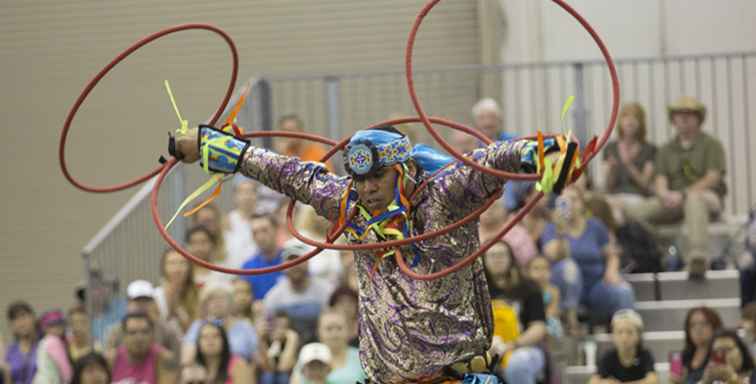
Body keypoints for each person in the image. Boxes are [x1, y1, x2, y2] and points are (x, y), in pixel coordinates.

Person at [173, 120, 569, 382]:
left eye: (377, 177)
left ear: (402, 170)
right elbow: (287, 172)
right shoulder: (350, 206)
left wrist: (543, 152)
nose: (368, 188)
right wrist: (211, 144)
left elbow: (486, 162)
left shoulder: (444, 197)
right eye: (359, 179)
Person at [625, 96, 727, 279]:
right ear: (673, 119)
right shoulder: (666, 149)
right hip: (674, 200)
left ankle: (698, 258)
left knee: (695, 199)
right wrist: (664, 194)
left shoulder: (711, 145)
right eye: (679, 114)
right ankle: (658, 249)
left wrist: (684, 194)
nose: (684, 118)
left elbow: (712, 177)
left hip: (706, 197)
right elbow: (660, 180)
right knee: (632, 212)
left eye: (689, 114)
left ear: (698, 118)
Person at [540, 184, 635, 331]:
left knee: (623, 291)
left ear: (582, 204)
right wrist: (560, 231)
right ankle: (571, 323)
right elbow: (553, 255)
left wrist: (611, 270)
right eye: (565, 201)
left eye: (574, 199)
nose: (570, 204)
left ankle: (626, 333)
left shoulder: (595, 226)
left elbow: (612, 253)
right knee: (569, 268)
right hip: (565, 290)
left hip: (595, 287)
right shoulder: (552, 229)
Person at [483, 240, 547, 384]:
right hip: (487, 350)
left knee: (518, 364)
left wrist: (512, 345)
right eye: (492, 255)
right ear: (484, 260)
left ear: (511, 258)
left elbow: (539, 328)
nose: (497, 259)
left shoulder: (529, 288)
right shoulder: (477, 291)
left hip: (523, 348)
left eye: (501, 255)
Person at [263, 244, 334, 344]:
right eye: (290, 261)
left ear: (308, 262)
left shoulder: (326, 291)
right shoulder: (273, 297)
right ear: (283, 266)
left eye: (299, 260)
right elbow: (269, 333)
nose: (295, 265)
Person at [601, 102, 657, 222]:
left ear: (641, 123)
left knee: (618, 209)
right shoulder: (610, 148)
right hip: (614, 196)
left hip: (637, 197)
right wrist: (611, 169)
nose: (630, 121)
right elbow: (607, 185)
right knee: (608, 205)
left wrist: (629, 165)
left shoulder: (650, 149)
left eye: (635, 117)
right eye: (626, 117)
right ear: (620, 122)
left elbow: (645, 185)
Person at [182, 281, 258, 365]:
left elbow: (258, 359)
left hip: (240, 372)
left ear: (230, 302)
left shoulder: (245, 326)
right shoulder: (198, 326)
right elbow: (186, 358)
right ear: (205, 304)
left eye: (222, 298)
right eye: (212, 298)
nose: (217, 302)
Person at [105, 280, 183, 360]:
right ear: (128, 303)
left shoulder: (167, 330)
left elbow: (177, 358)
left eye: (146, 301)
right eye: (137, 301)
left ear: (153, 303)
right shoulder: (116, 331)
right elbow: (108, 358)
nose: (142, 305)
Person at [291, 310, 365, 384]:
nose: (334, 333)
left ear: (348, 330)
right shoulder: (306, 355)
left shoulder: (362, 357)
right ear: (318, 331)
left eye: (339, 328)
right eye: (329, 328)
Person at [590, 309, 657, 384]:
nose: (624, 337)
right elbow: (593, 381)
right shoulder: (608, 357)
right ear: (613, 335)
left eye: (629, 332)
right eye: (619, 332)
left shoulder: (645, 354)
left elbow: (653, 380)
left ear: (638, 335)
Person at [110, 313, 178, 384]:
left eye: (144, 332)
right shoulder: (112, 359)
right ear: (124, 336)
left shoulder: (163, 358)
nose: (139, 338)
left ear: (152, 334)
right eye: (133, 332)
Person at [671, 307, 724, 384]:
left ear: (715, 327)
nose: (698, 329)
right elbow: (672, 381)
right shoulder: (678, 357)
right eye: (692, 325)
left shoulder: (720, 355)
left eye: (704, 324)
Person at [479, 198, 538, 267]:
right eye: (484, 207)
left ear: (504, 210)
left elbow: (530, 263)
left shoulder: (519, 234)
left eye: (494, 207)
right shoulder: (470, 233)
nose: (488, 210)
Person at [154, 248, 199, 333]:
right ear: (163, 268)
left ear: (189, 267)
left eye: (182, 263)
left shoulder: (197, 295)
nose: (177, 269)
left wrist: (178, 311)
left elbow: (196, 332)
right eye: (172, 263)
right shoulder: (155, 295)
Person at [241, 214, 284, 301]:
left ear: (276, 230)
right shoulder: (247, 268)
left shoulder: (292, 260)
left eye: (264, 230)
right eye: (255, 233)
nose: (260, 237)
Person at [256, 311, 299, 384]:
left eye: (283, 327)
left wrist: (292, 340)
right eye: (276, 326)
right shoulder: (264, 340)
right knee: (268, 376)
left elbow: (284, 367)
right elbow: (268, 367)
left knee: (283, 376)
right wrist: (262, 341)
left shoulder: (290, 342)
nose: (279, 331)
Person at [525, 255, 563, 338]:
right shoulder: (526, 291)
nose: (541, 273)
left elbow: (553, 311)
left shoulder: (553, 290)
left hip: (548, 323)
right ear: (527, 272)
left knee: (553, 322)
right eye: (536, 268)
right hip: (530, 323)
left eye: (545, 268)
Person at [226, 179, 260, 268]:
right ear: (235, 196)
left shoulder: (264, 220)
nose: (247, 196)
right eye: (243, 192)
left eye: (251, 192)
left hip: (258, 271)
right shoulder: (226, 221)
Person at [32, 310, 73, 384]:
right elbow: (63, 365)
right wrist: (69, 380)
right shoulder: (54, 341)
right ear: (45, 328)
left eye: (59, 324)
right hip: (49, 380)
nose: (57, 328)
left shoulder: (43, 342)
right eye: (52, 325)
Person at [4, 301, 38, 384]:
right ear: (11, 325)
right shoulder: (8, 352)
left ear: (33, 318)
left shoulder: (45, 346)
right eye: (15, 319)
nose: (21, 322)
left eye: (23, 316)